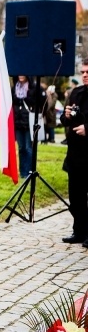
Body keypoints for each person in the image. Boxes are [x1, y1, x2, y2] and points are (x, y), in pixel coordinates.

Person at [60, 58, 88, 247]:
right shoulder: (76, 93)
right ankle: (79, 231)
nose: (85, 75)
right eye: (83, 72)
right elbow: (65, 119)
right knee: (75, 196)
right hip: (75, 153)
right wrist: (67, 115)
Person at [12, 75, 44, 178]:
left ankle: (30, 172)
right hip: (18, 122)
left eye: (23, 73)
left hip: (30, 122)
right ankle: (23, 173)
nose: (21, 75)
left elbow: (44, 103)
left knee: (29, 148)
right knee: (21, 148)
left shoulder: (35, 87)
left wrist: (39, 114)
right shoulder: (14, 88)